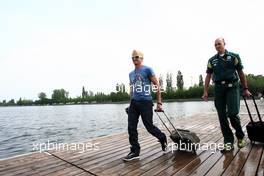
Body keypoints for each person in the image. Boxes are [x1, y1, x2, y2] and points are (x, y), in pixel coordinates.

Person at [202, 38, 251, 152]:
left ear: (224, 44)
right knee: (222, 116)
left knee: (232, 113)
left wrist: (245, 89)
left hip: (232, 87)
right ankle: (228, 142)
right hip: (219, 89)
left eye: (219, 44)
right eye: (215, 45)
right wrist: (205, 91)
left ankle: (240, 137)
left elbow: (241, 73)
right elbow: (208, 76)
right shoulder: (212, 60)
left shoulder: (234, 57)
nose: (217, 46)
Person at [123, 50, 167, 161]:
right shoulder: (131, 74)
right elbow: (132, 89)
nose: (134, 59)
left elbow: (157, 85)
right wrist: (130, 104)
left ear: (142, 58)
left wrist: (159, 103)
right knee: (131, 127)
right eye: (132, 58)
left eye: (137, 57)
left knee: (149, 126)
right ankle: (135, 151)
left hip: (145, 102)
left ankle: (162, 137)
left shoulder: (147, 70)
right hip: (134, 103)